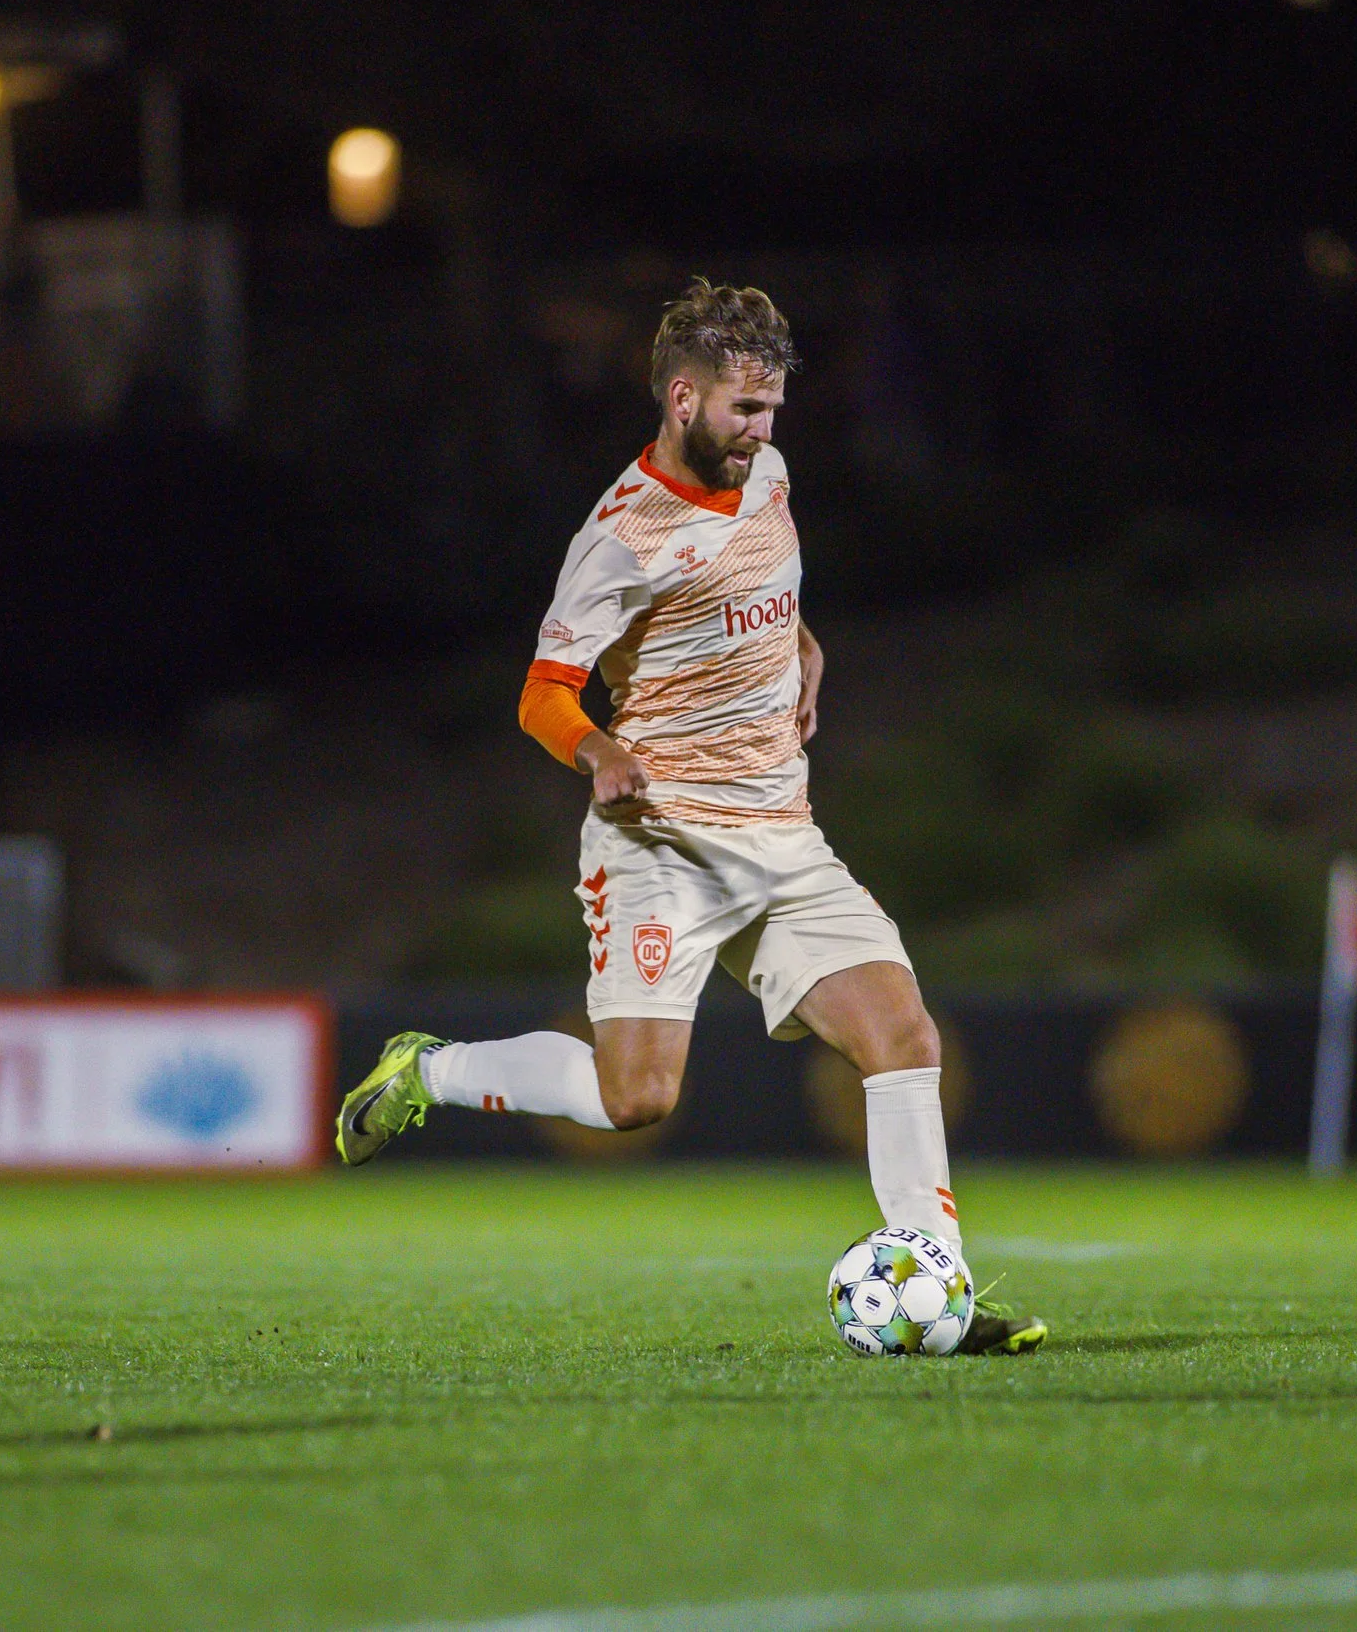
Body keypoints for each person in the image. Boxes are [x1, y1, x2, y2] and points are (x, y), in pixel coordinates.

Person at [337, 281, 1044, 1355]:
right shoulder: (622, 538)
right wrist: (601, 749)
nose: (762, 433)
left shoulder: (767, 473)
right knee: (636, 1100)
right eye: (743, 412)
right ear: (681, 397)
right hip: (661, 844)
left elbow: (766, 582)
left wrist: (803, 645)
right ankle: (429, 1069)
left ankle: (934, 1296)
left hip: (782, 833)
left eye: (772, 411)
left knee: (902, 1038)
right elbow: (541, 693)